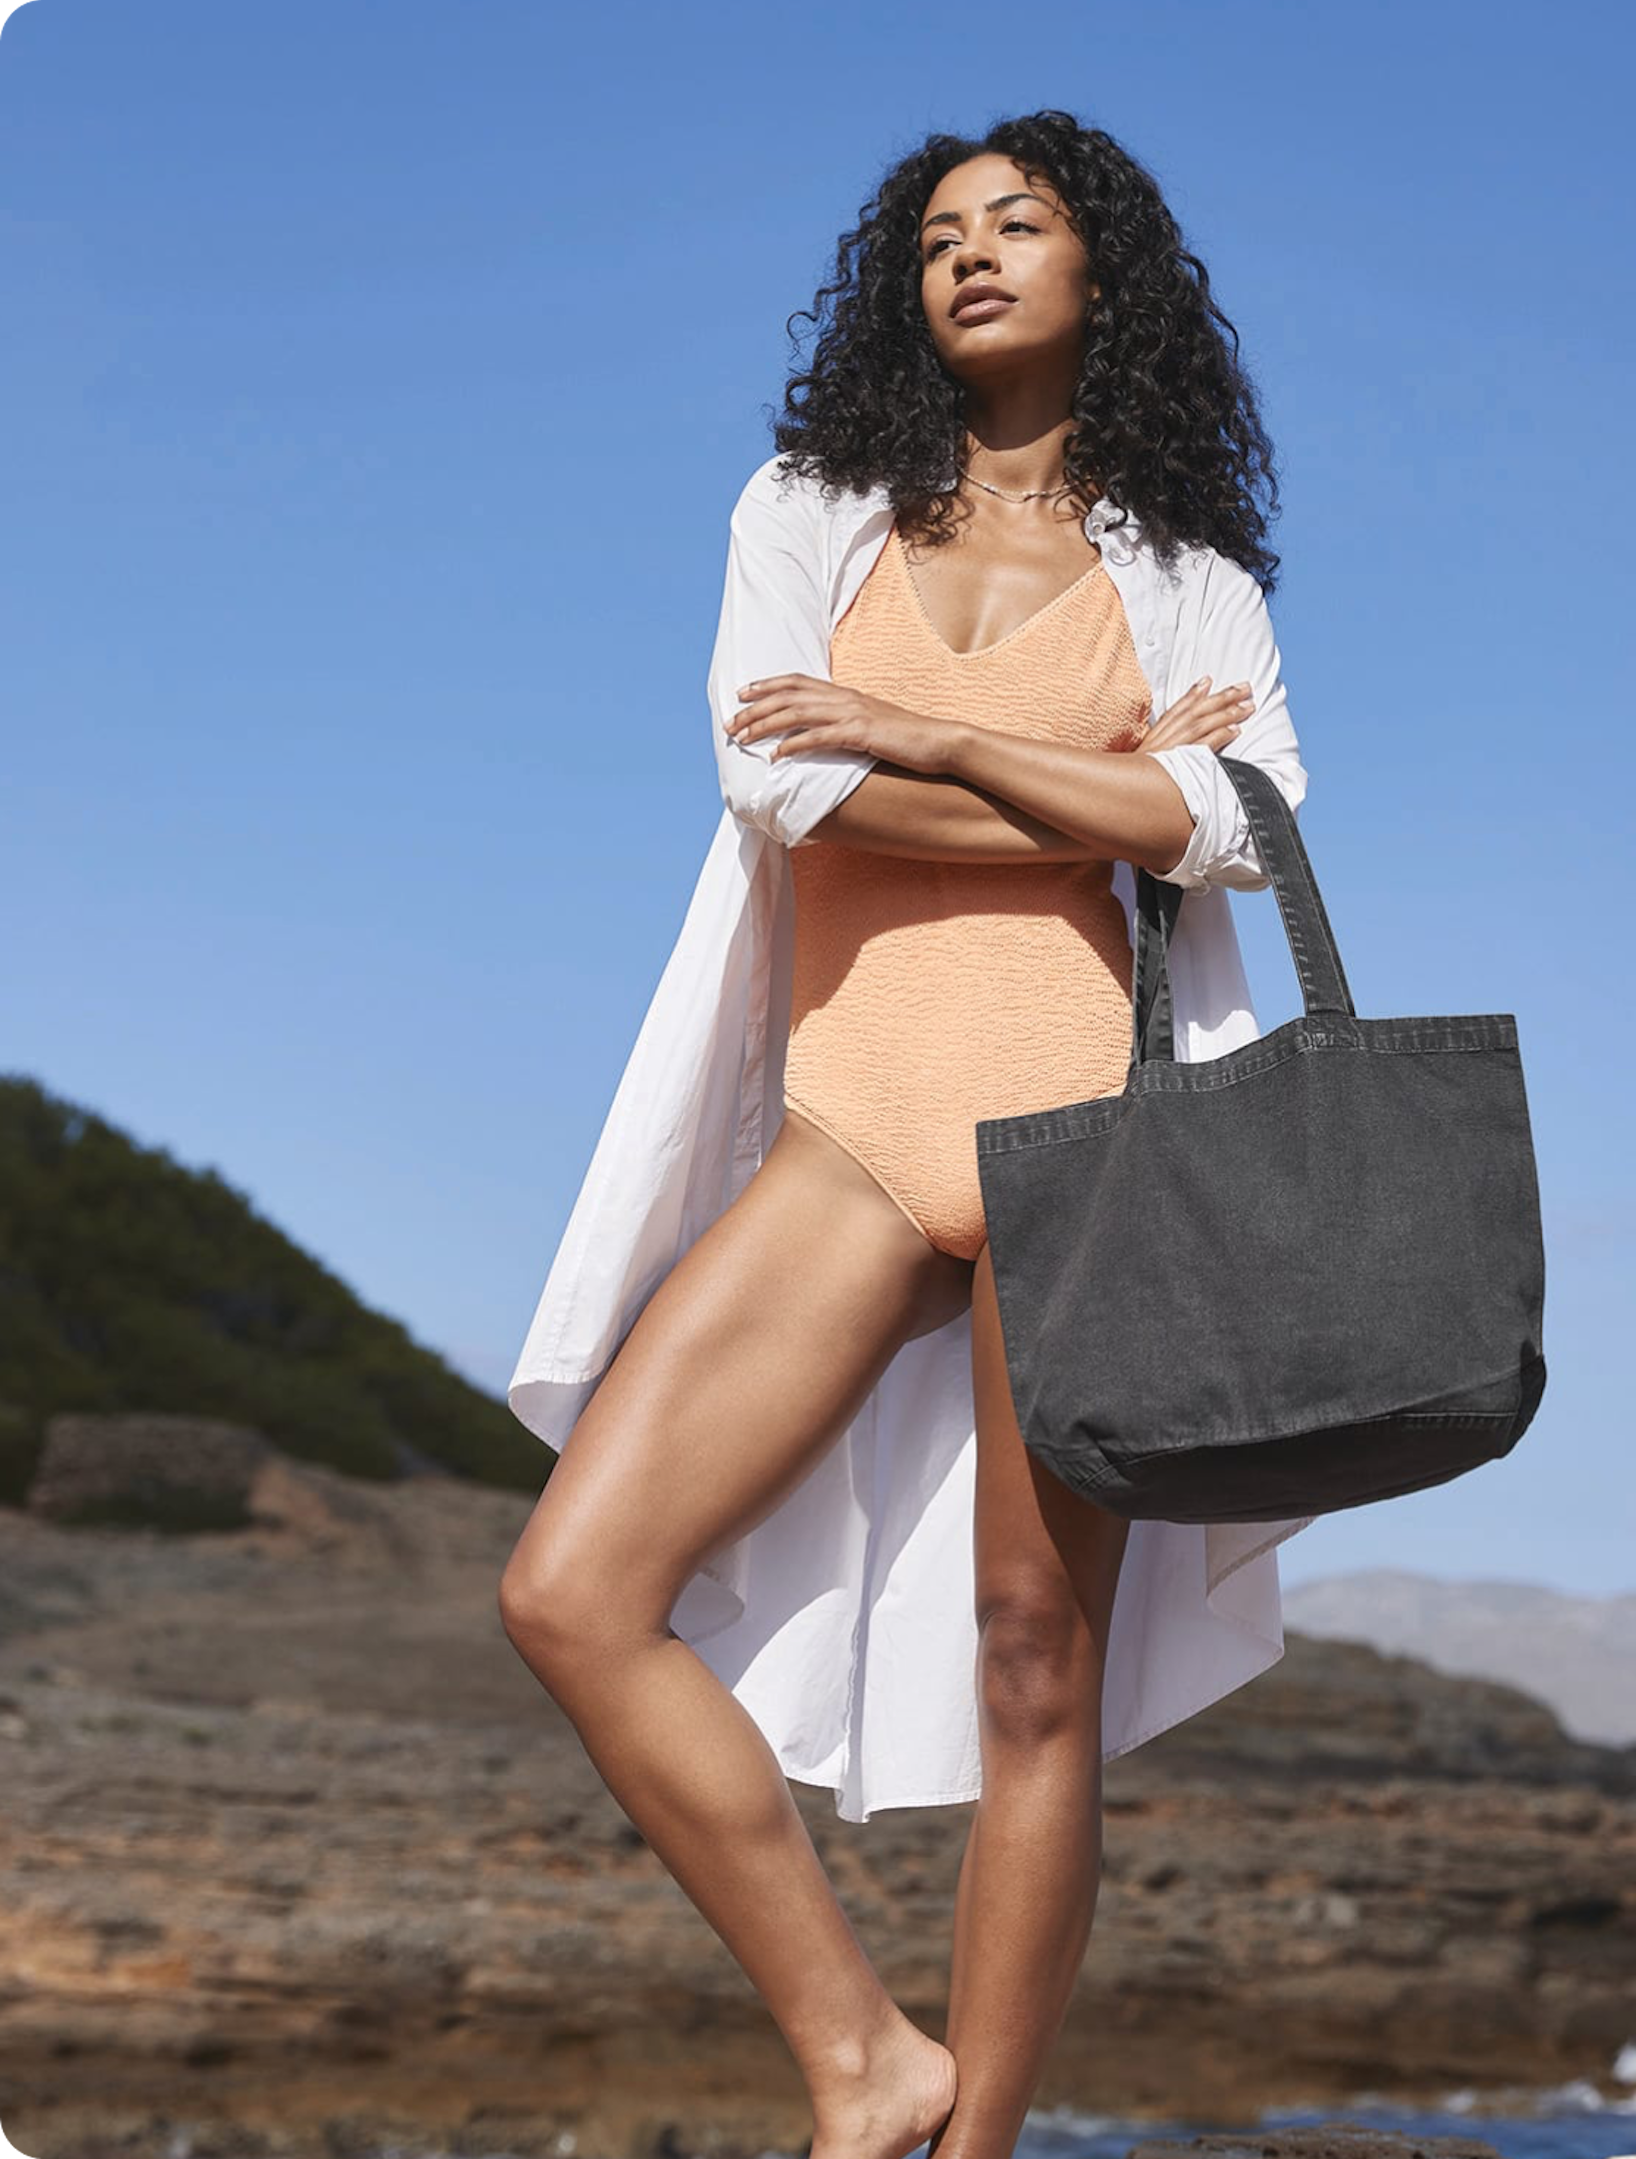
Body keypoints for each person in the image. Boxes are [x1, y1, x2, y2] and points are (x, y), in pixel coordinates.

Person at [499, 115, 1316, 2159]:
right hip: (858, 1120)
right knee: (574, 1590)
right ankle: (865, 2053)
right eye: (939, 234)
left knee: (1041, 1666)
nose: (970, 256)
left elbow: (1248, 826)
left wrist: (940, 734)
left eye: (1016, 224)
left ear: (1098, 273)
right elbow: (780, 792)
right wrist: (1083, 789)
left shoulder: (1187, 569)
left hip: (1094, 1138)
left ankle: (983, 2139)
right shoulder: (811, 508)